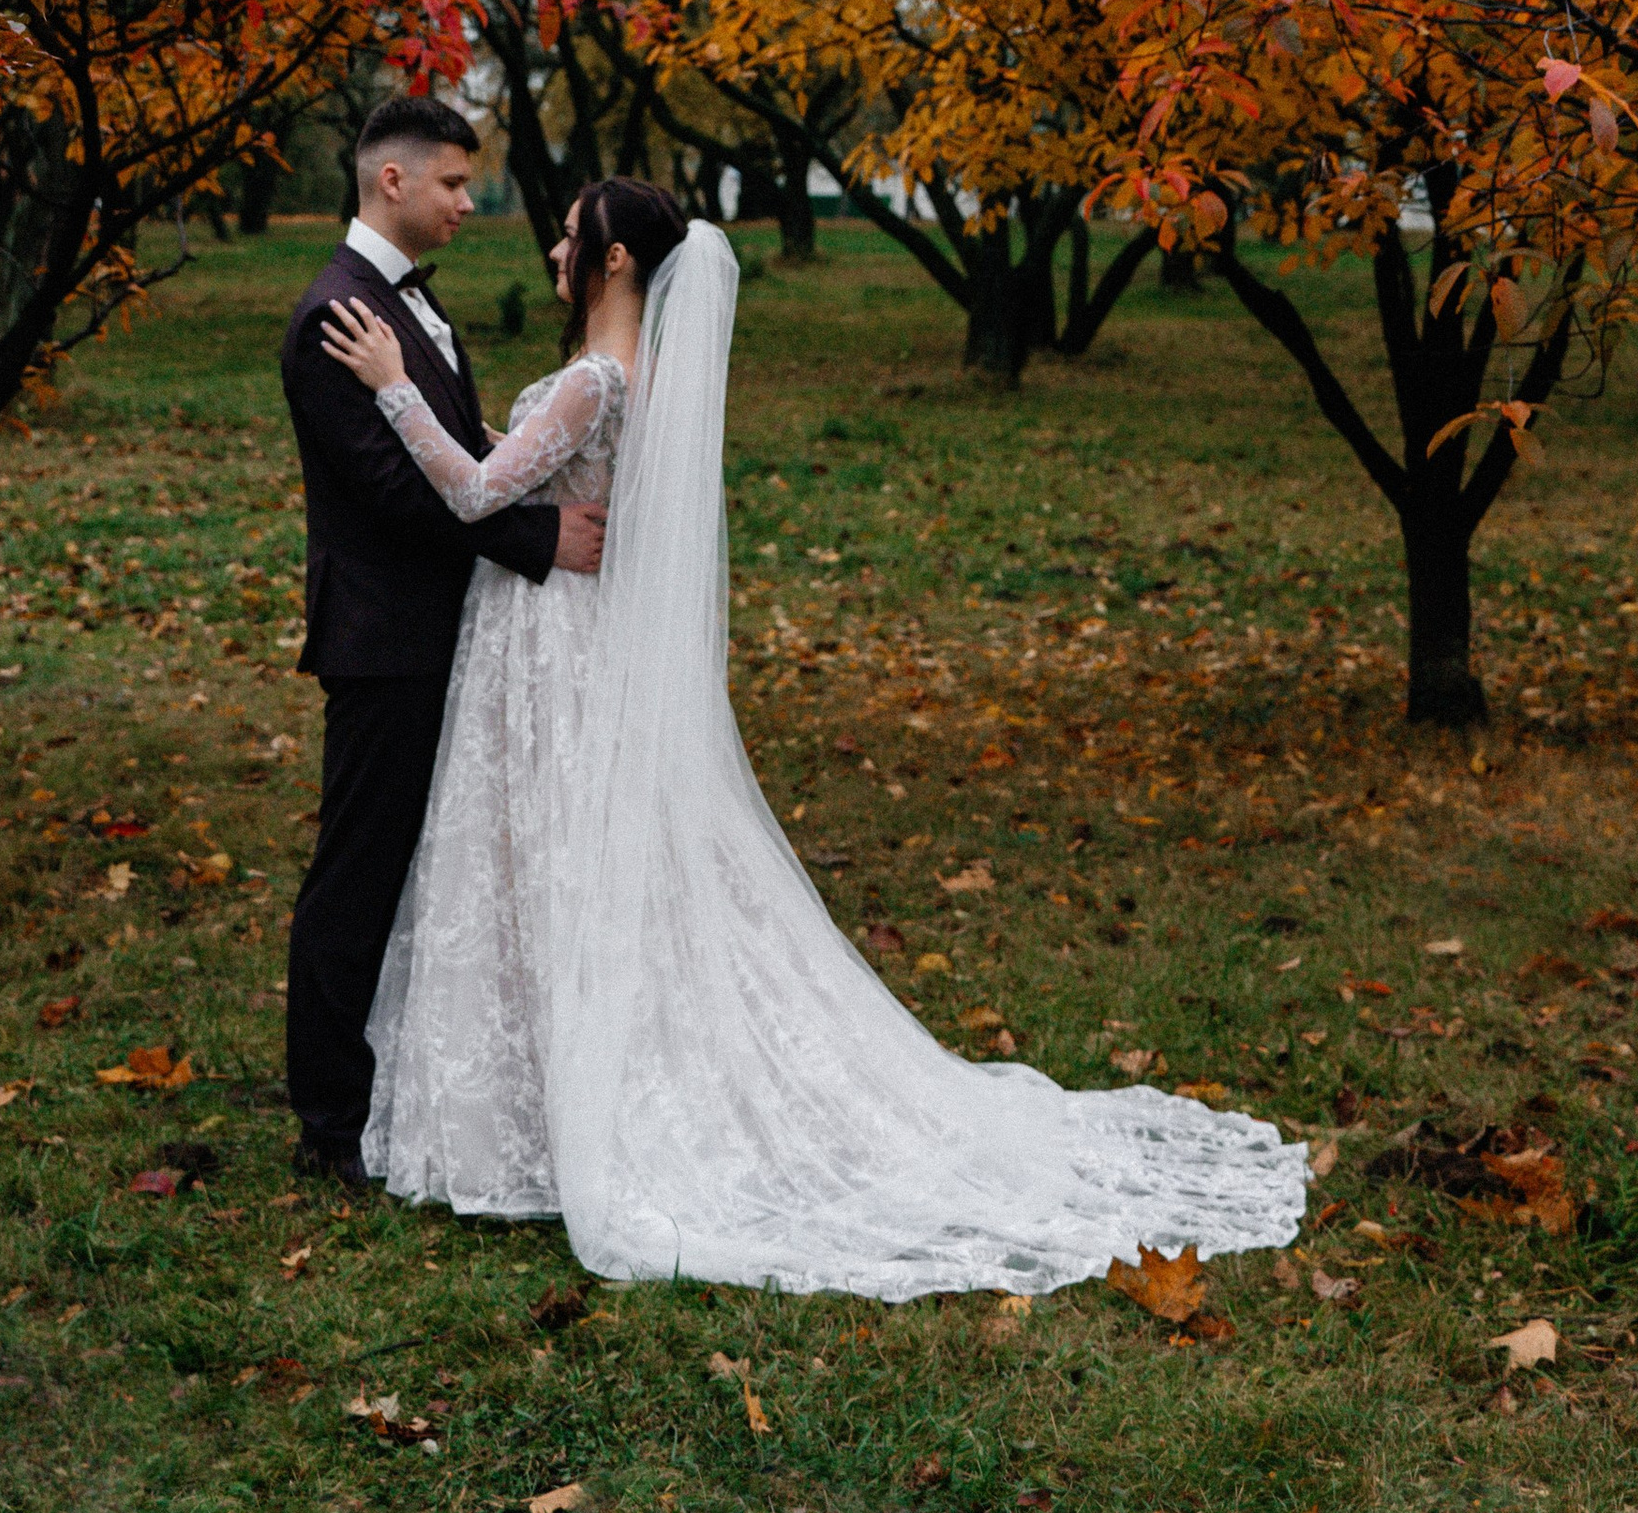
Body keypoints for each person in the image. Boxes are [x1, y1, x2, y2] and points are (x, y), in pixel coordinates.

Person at [331, 194, 1311, 1301]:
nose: (550, 253)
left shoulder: (595, 380)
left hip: (554, 646)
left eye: (567, 239)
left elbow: (468, 491)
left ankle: (561, 1106)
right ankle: (542, 1097)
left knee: (562, 858)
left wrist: (391, 387)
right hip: (560, 635)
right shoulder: (628, 377)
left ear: (612, 259)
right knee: (572, 865)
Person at [279, 93, 604, 1189]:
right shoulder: (337, 314)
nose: (471, 203)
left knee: (419, 870)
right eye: (456, 184)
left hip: (437, 628)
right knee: (357, 874)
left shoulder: (402, 304)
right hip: (384, 639)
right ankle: (327, 1123)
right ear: (392, 181)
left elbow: (452, 452)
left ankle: (395, 1088)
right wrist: (537, 536)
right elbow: (388, 496)